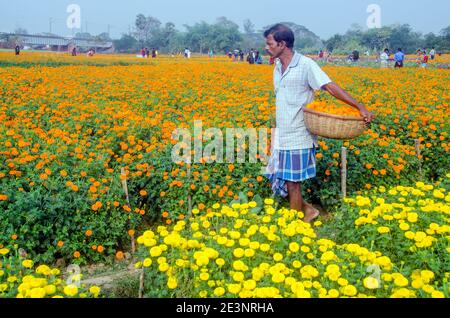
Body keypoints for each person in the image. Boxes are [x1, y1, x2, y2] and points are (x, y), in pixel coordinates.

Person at [263, 24, 374, 223]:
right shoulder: (277, 67)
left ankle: (295, 225)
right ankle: (309, 211)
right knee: (278, 177)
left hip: (298, 134)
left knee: (292, 182)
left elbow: (329, 87)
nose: (266, 47)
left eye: (269, 43)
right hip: (282, 133)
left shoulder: (306, 65)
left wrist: (359, 106)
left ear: (282, 44)